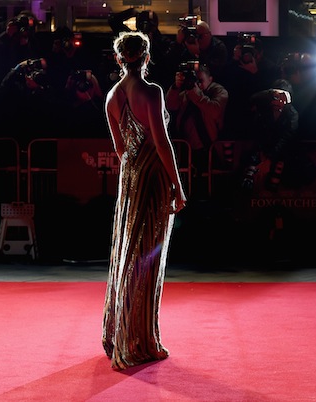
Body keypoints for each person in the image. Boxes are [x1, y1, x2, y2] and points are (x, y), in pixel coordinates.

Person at [102, 31, 187, 370]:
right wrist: (177, 186)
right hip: (152, 177)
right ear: (147, 57)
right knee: (146, 258)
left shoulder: (111, 96)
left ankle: (119, 332)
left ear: (119, 58)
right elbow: (162, 142)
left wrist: (133, 170)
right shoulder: (152, 92)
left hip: (130, 177)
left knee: (128, 252)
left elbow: (120, 148)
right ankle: (139, 340)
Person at [165, 63, 228, 197]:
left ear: (210, 79)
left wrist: (194, 92)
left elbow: (215, 110)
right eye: (195, 80)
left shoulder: (218, 91)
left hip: (210, 147)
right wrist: (176, 87)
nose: (197, 84)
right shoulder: (187, 92)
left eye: (200, 81)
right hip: (186, 148)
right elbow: (170, 105)